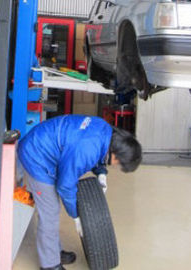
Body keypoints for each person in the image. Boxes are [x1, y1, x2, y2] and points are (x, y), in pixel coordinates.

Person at [17, 114, 142, 270]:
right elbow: (65, 185)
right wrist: (76, 216)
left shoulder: (105, 130)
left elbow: (99, 153)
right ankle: (49, 264)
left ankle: (54, 252)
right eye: (119, 163)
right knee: (50, 211)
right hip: (36, 156)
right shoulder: (86, 148)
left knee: (53, 209)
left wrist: (101, 172)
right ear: (117, 153)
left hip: (47, 143)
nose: (116, 166)